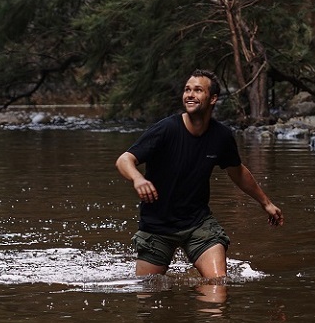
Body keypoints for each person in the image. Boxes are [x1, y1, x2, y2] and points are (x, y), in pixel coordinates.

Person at [115, 69, 283, 280]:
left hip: (198, 225)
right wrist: (138, 178)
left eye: (197, 90)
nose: (190, 95)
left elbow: (237, 171)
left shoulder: (221, 136)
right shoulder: (166, 130)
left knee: (217, 286)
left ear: (212, 99)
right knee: (149, 298)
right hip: (156, 227)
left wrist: (265, 203)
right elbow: (124, 159)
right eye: (187, 90)